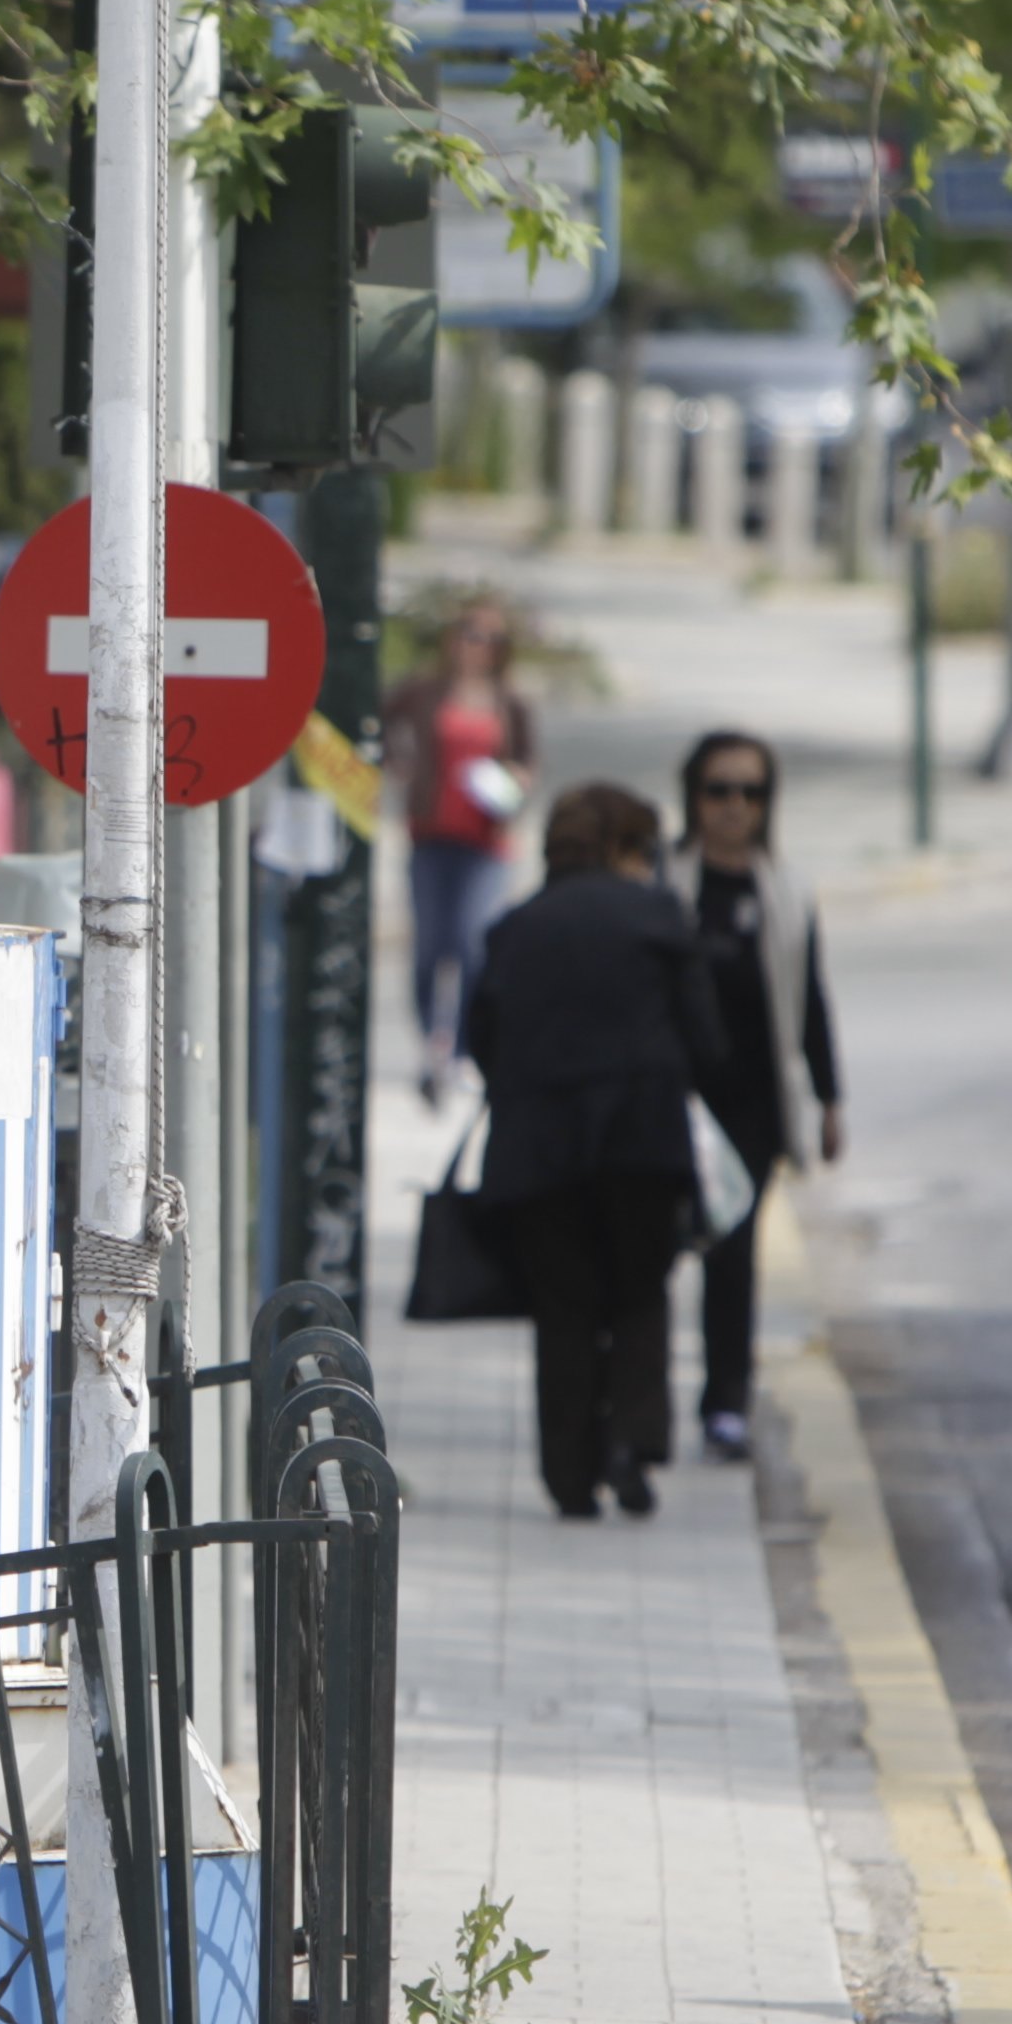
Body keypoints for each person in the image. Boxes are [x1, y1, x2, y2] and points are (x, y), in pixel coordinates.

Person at [461, 781, 726, 1519]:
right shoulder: (659, 918)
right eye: (642, 849)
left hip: (537, 1152)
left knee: (564, 1310)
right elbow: (706, 1041)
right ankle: (632, 1443)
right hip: (643, 1140)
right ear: (619, 849)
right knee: (641, 1294)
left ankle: (569, 1475)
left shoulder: (515, 927)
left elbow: (480, 1039)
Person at [671, 728, 841, 1462]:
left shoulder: (787, 893)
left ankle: (725, 1403)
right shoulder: (665, 883)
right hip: (672, 1104)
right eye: (719, 790)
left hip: (752, 1110)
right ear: (694, 798)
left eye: (751, 792)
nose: (735, 806)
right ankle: (636, 1407)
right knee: (651, 1257)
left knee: (733, 1259)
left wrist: (830, 1101)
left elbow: (810, 1003)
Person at [395, 600, 538, 1104]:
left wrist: (515, 781)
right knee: (430, 947)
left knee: (474, 943)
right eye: (469, 634)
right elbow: (382, 725)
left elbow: (528, 760)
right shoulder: (423, 689)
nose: (477, 646)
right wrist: (398, 762)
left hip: (487, 839)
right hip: (431, 834)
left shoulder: (509, 700)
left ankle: (460, 1047)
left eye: (489, 639)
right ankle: (432, 1043)